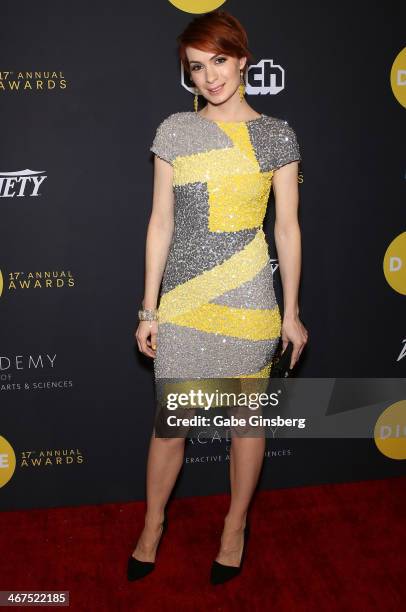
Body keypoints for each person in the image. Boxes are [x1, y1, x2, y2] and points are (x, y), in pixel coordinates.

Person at [129, 9, 308, 585]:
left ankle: (235, 526)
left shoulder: (276, 134)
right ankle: (153, 524)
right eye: (197, 67)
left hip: (250, 298)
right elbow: (160, 223)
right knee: (169, 426)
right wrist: (149, 307)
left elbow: (287, 230)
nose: (210, 77)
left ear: (242, 58)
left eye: (220, 62)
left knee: (245, 424)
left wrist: (294, 312)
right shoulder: (174, 131)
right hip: (183, 302)